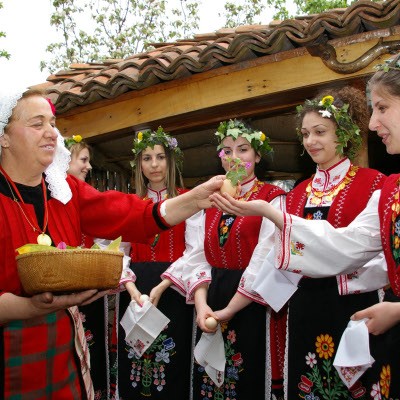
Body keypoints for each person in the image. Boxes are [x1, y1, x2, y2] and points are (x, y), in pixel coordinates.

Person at [0, 87, 224, 400]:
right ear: (4, 137)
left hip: (63, 352)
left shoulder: (63, 190)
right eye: (37, 124)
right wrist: (30, 307)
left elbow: (127, 214)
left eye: (52, 123)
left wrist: (193, 200)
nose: (51, 132)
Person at [211, 86, 400, 398]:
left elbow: (380, 255)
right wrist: (229, 310)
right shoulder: (296, 194)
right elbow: (267, 256)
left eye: (320, 132)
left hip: (356, 307)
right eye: (305, 133)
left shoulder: (375, 185)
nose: (311, 141)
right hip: (303, 308)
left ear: (344, 134)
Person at [163, 119, 287, 400]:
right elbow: (196, 255)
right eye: (227, 151)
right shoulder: (207, 199)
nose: (234, 158)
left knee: (248, 377)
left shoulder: (272, 198)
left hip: (252, 300)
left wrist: (230, 309)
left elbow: (266, 256)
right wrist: (202, 306)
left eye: (243, 150)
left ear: (257, 156)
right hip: (212, 294)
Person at [114, 127, 196, 399]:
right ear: (139, 164)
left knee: (173, 361)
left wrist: (163, 286)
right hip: (135, 291)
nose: (154, 164)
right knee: (135, 361)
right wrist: (131, 289)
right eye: (147, 158)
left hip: (173, 287)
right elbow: (119, 251)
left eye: (160, 157)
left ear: (171, 161)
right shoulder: (130, 204)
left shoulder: (188, 199)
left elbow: (194, 251)